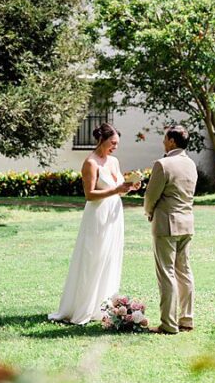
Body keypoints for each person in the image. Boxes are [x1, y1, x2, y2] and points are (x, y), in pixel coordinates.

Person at [49, 122, 139, 324]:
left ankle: (104, 306)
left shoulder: (114, 161)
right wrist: (116, 191)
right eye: (112, 143)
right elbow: (90, 194)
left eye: (117, 144)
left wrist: (128, 187)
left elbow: (117, 187)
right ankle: (84, 307)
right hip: (97, 216)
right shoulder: (90, 163)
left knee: (110, 258)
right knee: (93, 259)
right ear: (102, 140)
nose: (115, 147)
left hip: (114, 216)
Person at [144, 124, 197, 334]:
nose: (163, 141)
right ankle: (187, 319)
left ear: (172, 141)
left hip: (166, 224)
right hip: (187, 223)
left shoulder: (163, 164)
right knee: (184, 272)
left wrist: (149, 213)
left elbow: (151, 195)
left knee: (166, 274)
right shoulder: (191, 164)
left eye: (165, 138)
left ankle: (168, 323)